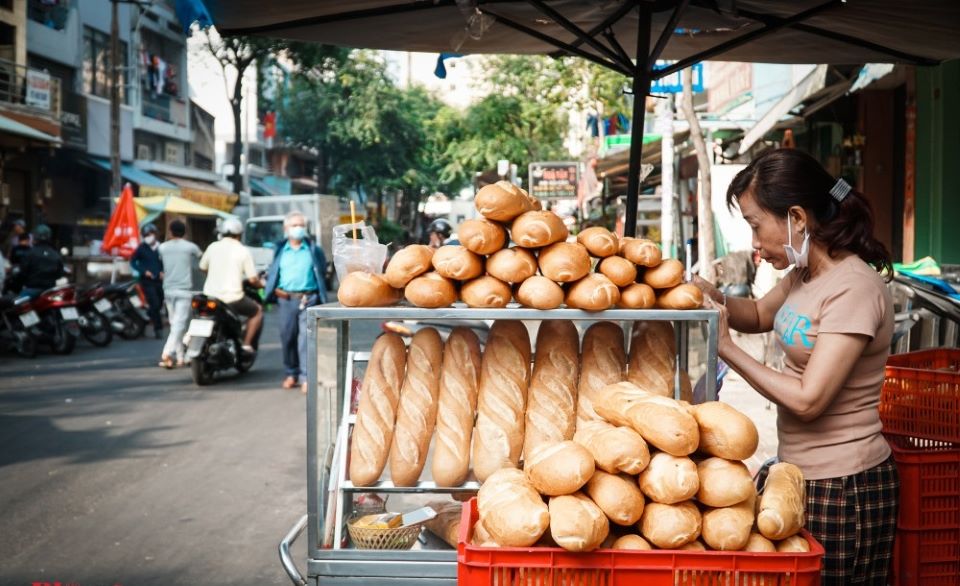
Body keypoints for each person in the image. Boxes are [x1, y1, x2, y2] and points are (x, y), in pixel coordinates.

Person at [694, 148, 896, 584]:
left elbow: (809, 401)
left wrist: (726, 348)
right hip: (799, 473)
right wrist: (702, 291)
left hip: (846, 485)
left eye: (754, 225)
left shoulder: (854, 287)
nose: (754, 244)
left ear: (798, 219)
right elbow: (759, 315)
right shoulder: (805, 274)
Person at [264, 211, 328, 393]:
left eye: (301, 225)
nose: (298, 229)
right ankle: (291, 373)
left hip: (309, 298)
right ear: (286, 229)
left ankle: (306, 376)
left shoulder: (313, 249)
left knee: (306, 339)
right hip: (285, 299)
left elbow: (322, 270)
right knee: (288, 337)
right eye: (294, 225)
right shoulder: (279, 250)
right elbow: (273, 272)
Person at [199, 217, 262, 353]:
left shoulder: (212, 246)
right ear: (239, 234)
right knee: (257, 311)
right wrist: (262, 285)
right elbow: (252, 279)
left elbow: (202, 267)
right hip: (233, 298)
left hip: (210, 297)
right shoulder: (242, 250)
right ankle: (246, 344)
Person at [158, 220, 201, 368]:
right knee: (180, 324)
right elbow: (201, 262)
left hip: (168, 290)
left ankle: (181, 357)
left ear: (170, 232)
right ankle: (168, 353)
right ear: (185, 232)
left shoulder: (162, 248)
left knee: (175, 324)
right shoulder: (191, 247)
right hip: (184, 290)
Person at [131, 223, 165, 339]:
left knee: (159, 303)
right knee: (154, 303)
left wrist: (163, 271)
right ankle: (158, 328)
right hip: (147, 281)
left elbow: (165, 262)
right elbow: (133, 262)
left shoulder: (161, 248)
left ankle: (146, 316)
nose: (148, 237)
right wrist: (143, 271)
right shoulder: (141, 248)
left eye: (150, 234)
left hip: (159, 280)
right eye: (146, 235)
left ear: (155, 234)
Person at [13, 225, 64, 298]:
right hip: (50, 291)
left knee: (17, 307)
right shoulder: (55, 254)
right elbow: (60, 274)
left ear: (35, 237)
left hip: (32, 290)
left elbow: (23, 272)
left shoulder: (30, 253)